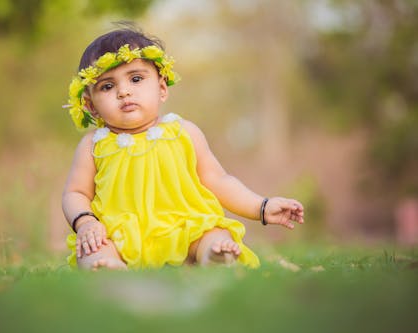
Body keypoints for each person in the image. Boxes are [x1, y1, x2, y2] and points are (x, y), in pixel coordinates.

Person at [61, 26, 304, 270]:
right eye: (107, 86)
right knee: (92, 247)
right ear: (91, 106)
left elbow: (219, 181)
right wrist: (86, 222)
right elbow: (76, 193)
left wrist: (261, 207)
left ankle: (214, 255)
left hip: (185, 227)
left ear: (162, 89)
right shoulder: (94, 145)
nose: (124, 91)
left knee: (214, 233)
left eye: (136, 79)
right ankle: (109, 264)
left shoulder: (184, 132)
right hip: (119, 234)